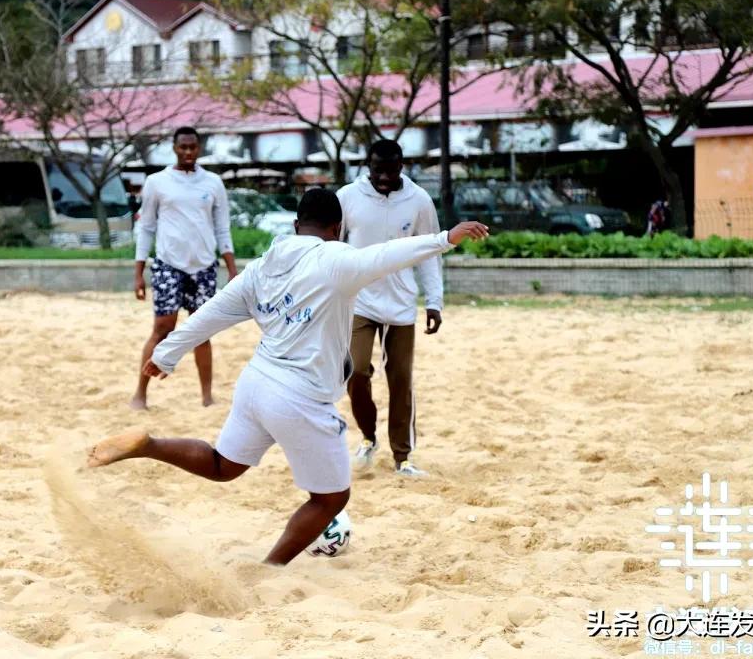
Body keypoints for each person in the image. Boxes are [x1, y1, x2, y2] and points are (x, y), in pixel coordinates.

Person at [87, 189, 489, 565]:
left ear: (296, 224)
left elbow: (213, 312)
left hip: (256, 383)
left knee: (223, 465)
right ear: (337, 229)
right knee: (332, 497)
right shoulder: (335, 259)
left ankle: (149, 445)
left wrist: (166, 353)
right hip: (299, 398)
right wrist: (444, 238)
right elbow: (386, 255)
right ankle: (271, 567)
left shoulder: (261, 268)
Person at [336, 139, 442, 477]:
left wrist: (434, 301)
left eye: (390, 169)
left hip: (401, 304)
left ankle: (403, 457)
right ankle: (368, 438)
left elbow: (429, 252)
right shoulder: (348, 197)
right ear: (368, 165)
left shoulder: (419, 201)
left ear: (402, 165)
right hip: (359, 300)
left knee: (400, 380)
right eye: (377, 169)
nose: (383, 176)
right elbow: (333, 248)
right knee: (355, 372)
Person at [130, 126, 238, 410]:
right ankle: (140, 394)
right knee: (163, 328)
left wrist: (232, 269)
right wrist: (138, 273)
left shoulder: (213, 183)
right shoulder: (156, 182)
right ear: (174, 148)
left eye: (193, 147)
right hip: (168, 266)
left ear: (199, 148)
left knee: (202, 330)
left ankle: (207, 396)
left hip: (204, 268)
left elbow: (222, 228)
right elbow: (146, 228)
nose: (188, 152)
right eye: (183, 147)